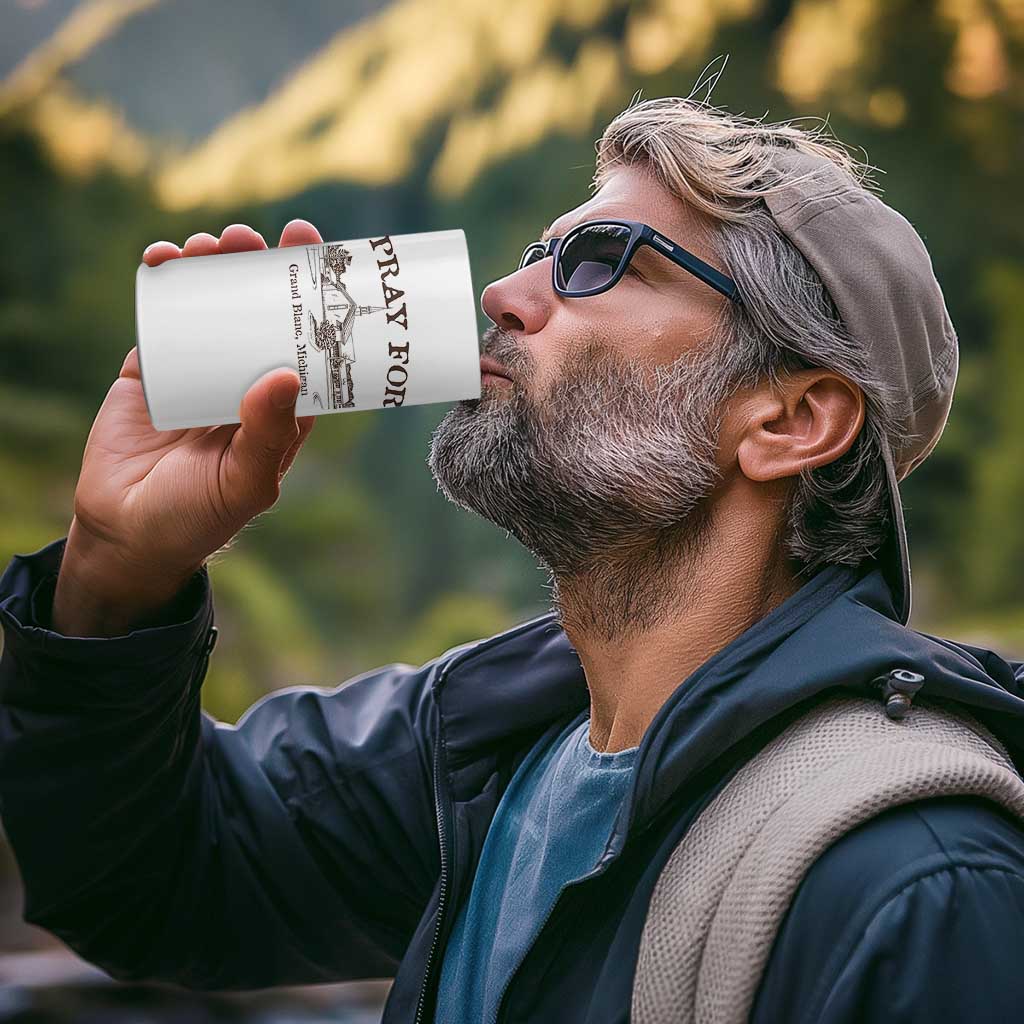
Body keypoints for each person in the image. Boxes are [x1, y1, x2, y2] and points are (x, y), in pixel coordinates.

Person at [2, 94, 1024, 1024]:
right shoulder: (481, 749)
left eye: (600, 261)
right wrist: (116, 572)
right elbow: (149, 880)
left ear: (790, 419)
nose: (504, 291)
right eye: (540, 252)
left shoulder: (918, 884)